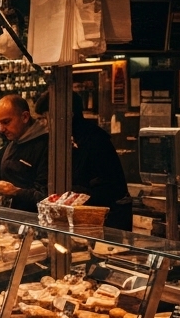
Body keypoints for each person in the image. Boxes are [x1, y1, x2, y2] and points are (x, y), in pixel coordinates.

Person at [34, 92, 131, 229]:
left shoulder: (94, 139)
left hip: (105, 222)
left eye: (45, 118)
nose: (43, 124)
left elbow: (108, 187)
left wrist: (74, 195)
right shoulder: (62, 139)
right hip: (78, 219)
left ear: (68, 114)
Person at [0, 95, 49, 212]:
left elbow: (47, 196)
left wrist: (15, 191)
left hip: (33, 222)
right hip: (11, 219)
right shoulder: (14, 140)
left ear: (25, 117)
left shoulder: (45, 145)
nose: (1, 129)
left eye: (6, 122)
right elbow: (12, 177)